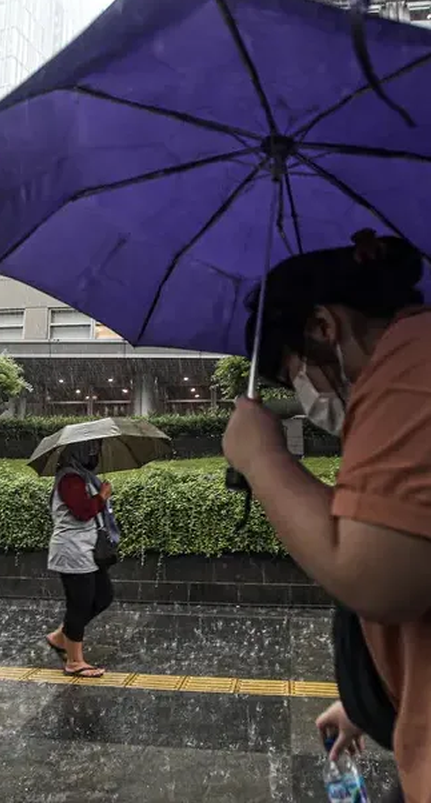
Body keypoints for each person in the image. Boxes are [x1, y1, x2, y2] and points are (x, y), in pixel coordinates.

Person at [223, 228, 431, 802]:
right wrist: (373, 699)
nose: (303, 391)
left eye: (294, 372)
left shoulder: (410, 360)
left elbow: (379, 579)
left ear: (322, 327)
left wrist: (261, 458)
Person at [46, 439, 117, 678]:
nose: (95, 454)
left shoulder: (83, 476)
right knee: (80, 603)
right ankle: (74, 662)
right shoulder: (70, 479)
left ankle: (59, 637)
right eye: (91, 450)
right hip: (72, 549)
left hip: (87, 548)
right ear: (78, 452)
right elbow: (82, 511)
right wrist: (102, 496)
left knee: (103, 596)